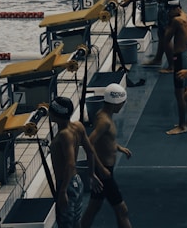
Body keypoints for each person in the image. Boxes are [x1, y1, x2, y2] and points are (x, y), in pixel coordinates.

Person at [81, 83, 133, 228]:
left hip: (104, 170)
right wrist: (100, 169)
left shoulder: (101, 114)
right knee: (122, 210)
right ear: (116, 103)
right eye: (122, 103)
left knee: (93, 207)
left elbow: (105, 140)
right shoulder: (104, 121)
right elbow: (90, 143)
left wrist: (118, 147)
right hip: (105, 172)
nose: (122, 106)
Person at [49, 96, 103, 228]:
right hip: (76, 182)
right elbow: (90, 151)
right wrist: (91, 174)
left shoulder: (64, 135)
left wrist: (62, 192)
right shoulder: (78, 126)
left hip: (66, 185)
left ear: (56, 114)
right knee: (76, 221)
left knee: (66, 224)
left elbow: (71, 163)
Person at [163, 0, 187, 135]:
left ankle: (182, 125)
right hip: (184, 56)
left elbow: (166, 39)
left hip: (179, 58)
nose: (167, 13)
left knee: (179, 94)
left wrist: (168, 24)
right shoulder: (185, 16)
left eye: (169, 10)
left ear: (176, 8)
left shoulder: (176, 21)